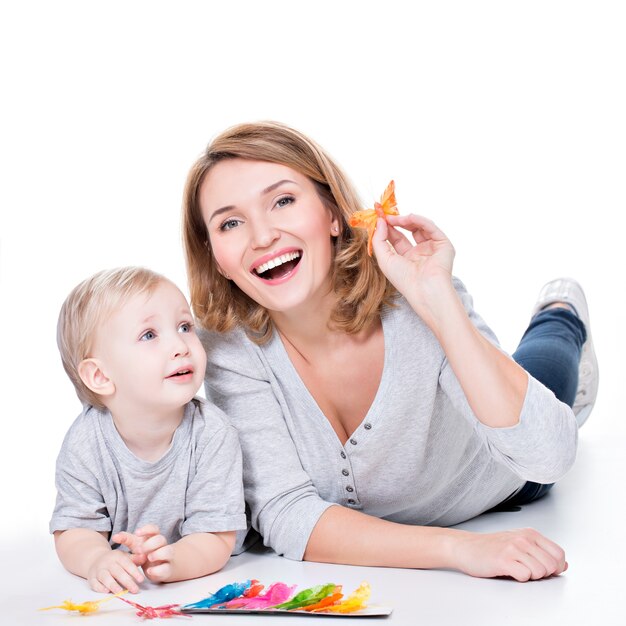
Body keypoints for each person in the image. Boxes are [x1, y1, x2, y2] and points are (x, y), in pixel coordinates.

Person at [182, 122, 598, 582]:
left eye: (283, 201)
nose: (261, 237)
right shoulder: (225, 347)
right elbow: (286, 513)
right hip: (456, 530)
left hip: (506, 474)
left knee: (545, 365)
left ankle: (560, 312)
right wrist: (460, 550)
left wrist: (440, 305)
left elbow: (549, 455)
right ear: (214, 253)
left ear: (333, 215)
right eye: (230, 223)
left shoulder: (410, 304)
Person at [50, 267, 246, 593]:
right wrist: (97, 559)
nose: (181, 345)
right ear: (100, 376)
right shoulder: (86, 441)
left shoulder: (213, 433)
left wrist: (177, 560)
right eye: (149, 335)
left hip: (203, 569)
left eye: (185, 327)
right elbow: (73, 529)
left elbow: (216, 536)